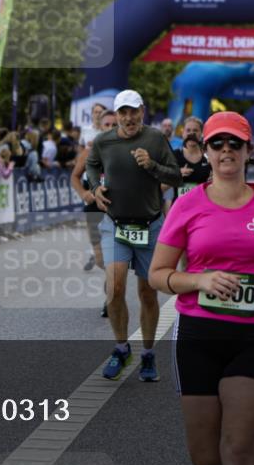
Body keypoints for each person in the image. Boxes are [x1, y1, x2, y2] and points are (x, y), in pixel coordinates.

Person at [148, 110, 254, 465]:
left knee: (239, 449)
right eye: (216, 143)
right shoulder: (187, 206)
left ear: (248, 150)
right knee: (205, 453)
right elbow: (157, 274)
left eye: (234, 143)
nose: (225, 150)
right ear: (206, 151)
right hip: (198, 336)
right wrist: (199, 280)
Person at [86, 90, 181, 381]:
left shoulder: (155, 138)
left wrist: (152, 165)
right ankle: (121, 347)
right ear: (116, 116)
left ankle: (149, 354)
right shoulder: (104, 141)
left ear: (142, 111)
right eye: (123, 113)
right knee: (114, 288)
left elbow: (176, 176)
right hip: (116, 225)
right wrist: (94, 189)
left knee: (147, 293)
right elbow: (91, 165)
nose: (129, 118)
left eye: (134, 111)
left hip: (150, 226)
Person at [70, 109, 118, 313]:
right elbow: (74, 177)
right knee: (101, 259)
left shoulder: (127, 151)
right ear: (100, 127)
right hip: (94, 209)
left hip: (119, 209)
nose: (110, 128)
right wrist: (84, 193)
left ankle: (112, 296)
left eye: (113, 125)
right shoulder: (90, 151)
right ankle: (112, 281)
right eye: (106, 125)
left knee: (116, 258)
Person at [172, 116, 211, 204]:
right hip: (180, 208)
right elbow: (161, 187)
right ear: (183, 133)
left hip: (202, 208)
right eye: (188, 130)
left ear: (201, 134)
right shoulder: (174, 156)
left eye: (195, 130)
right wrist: (176, 174)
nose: (191, 134)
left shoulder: (209, 157)